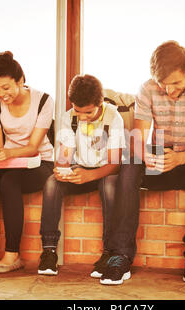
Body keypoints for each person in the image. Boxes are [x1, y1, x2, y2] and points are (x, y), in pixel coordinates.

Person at [101, 41, 185, 285]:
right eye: (163, 84)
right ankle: (120, 255)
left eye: (176, 83)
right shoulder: (147, 89)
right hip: (159, 158)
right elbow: (138, 141)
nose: (169, 91)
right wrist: (147, 157)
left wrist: (180, 158)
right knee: (131, 164)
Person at [0, 51, 54, 273]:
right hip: (10, 162)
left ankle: (12, 255)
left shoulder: (44, 100)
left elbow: (33, 147)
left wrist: (8, 154)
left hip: (40, 162)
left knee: (9, 182)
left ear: (20, 81)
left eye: (6, 88)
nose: (1, 94)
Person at [38, 74, 125, 278]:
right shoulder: (69, 117)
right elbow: (64, 156)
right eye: (78, 111)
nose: (82, 116)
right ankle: (49, 251)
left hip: (104, 172)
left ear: (100, 102)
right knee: (52, 183)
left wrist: (89, 176)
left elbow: (114, 165)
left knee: (110, 186)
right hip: (80, 171)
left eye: (88, 112)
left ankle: (109, 253)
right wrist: (62, 170)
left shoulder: (114, 118)